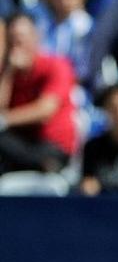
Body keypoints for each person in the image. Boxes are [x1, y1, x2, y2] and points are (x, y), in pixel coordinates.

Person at [0, 13, 77, 175]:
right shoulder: (7, 73)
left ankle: (44, 166)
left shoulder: (56, 66)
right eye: (12, 40)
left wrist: (5, 119)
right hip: (19, 143)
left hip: (52, 146)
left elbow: (45, 110)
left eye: (22, 38)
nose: (17, 45)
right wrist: (9, 72)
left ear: (36, 37)